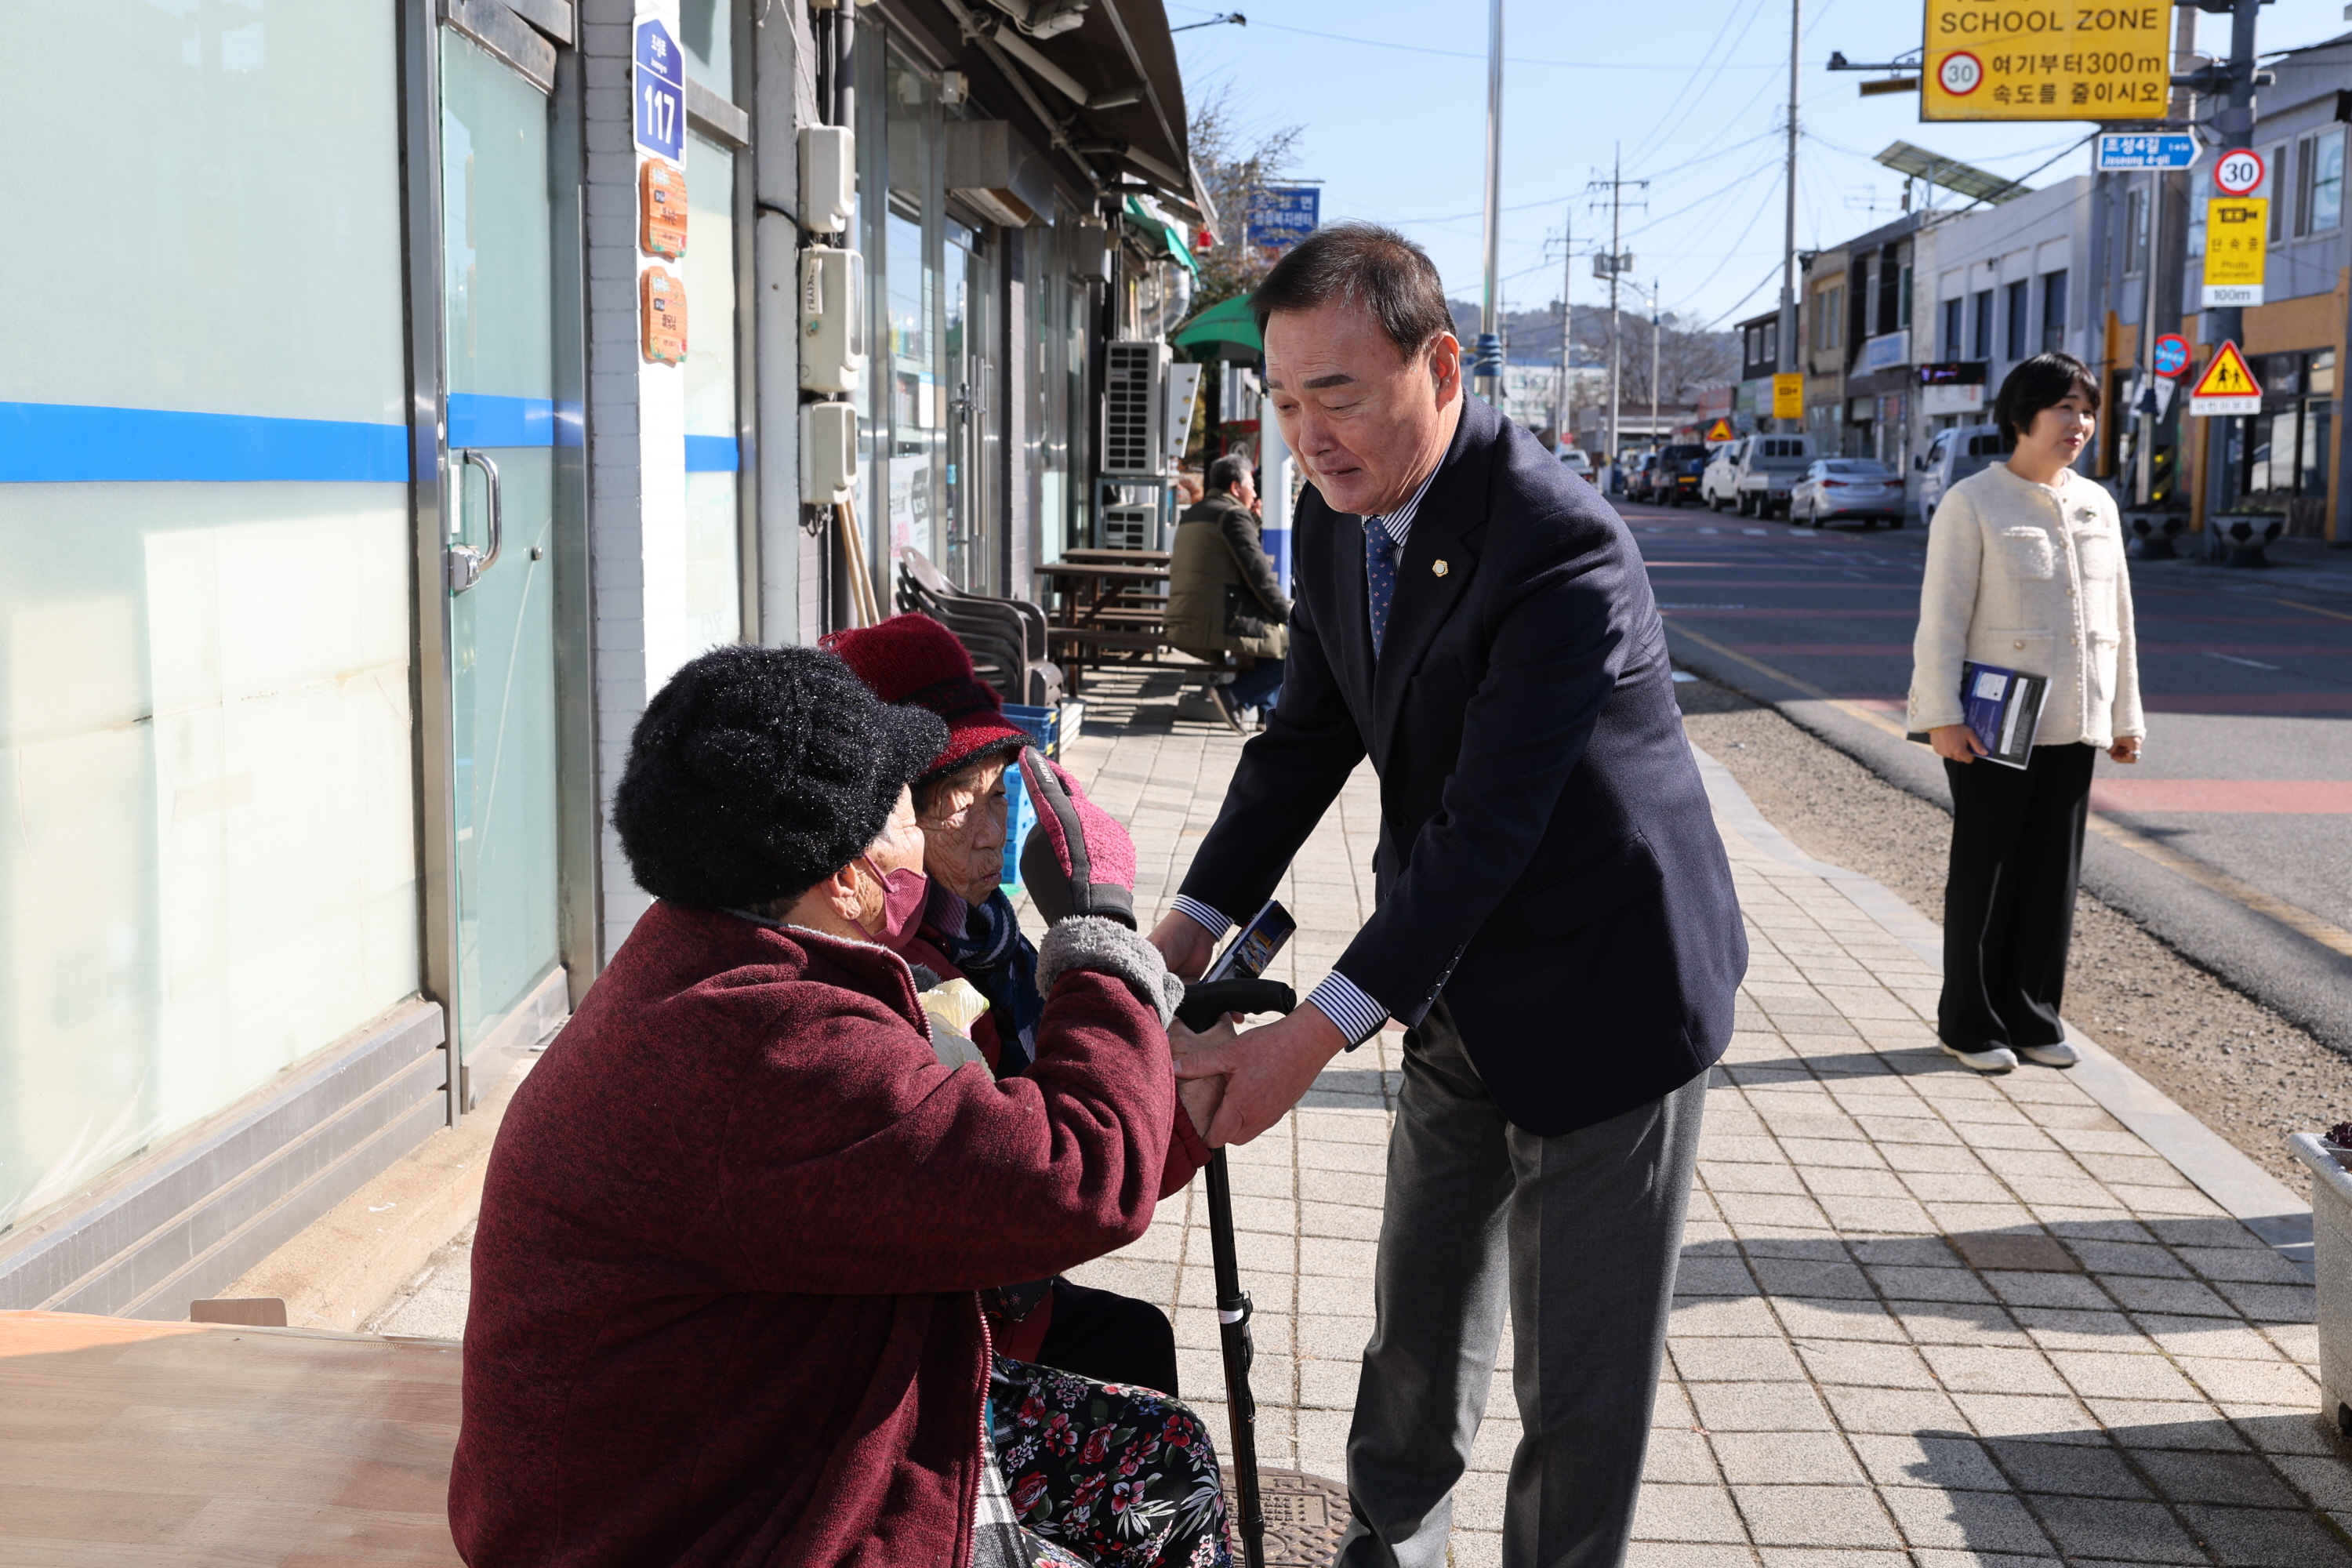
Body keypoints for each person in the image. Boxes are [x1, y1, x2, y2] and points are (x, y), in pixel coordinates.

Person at [1149, 224, 1748, 1568]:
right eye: (1285, 400)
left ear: (1441, 364)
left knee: (1578, 1384)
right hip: (1449, 975)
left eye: (1341, 394)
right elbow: (1306, 741)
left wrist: (1302, 1043)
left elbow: (1488, 832)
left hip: (1610, 987)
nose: (1309, 433)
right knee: (1416, 1326)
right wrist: (1169, 944)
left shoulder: (1556, 543)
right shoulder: (1332, 510)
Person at [449, 644, 1232, 1568]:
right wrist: (1099, 930)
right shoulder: (774, 1043)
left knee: (1163, 1456)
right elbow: (1080, 1176)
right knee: (1144, 1489)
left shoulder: (703, 956)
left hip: (737, 1444)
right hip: (701, 1523)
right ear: (848, 878)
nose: (946, 834)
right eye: (909, 806)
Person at [826, 612, 1190, 1394]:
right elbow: (1047, 1171)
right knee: (1133, 1361)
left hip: (1008, 1282)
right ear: (885, 816)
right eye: (963, 804)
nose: (994, 832)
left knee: (1136, 1341)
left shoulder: (981, 927)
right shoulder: (910, 976)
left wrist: (1172, 1080)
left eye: (1004, 797)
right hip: (954, 1337)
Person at [1909, 350, 2143, 1074]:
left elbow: (2119, 621)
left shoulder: (2097, 504)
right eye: (2065, 408)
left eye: (2088, 409)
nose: (2080, 423)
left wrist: (2126, 716)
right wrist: (1942, 714)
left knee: (2052, 873)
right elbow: (1942, 618)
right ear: (2022, 416)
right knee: (1988, 869)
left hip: (2075, 719)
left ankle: (2033, 1015)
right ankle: (1969, 1022)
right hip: (1993, 722)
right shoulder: (1973, 501)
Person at [1167, 452, 1290, 729]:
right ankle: (1233, 695)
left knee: (1272, 638)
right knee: (1299, 643)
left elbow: (1225, 555)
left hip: (1191, 615)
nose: (1254, 491)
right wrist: (1287, 614)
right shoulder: (1232, 515)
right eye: (1252, 485)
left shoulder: (1197, 511)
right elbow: (1257, 573)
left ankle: (1267, 714)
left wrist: (1252, 521)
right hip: (1216, 619)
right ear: (1236, 487)